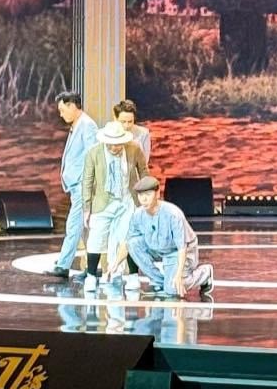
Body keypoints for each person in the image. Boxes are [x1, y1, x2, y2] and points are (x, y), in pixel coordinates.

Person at [107, 175, 213, 299]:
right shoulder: (138, 215)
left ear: (157, 194)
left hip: (179, 251)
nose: (144, 199)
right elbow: (127, 243)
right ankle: (159, 281)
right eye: (141, 195)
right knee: (133, 243)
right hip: (157, 246)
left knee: (173, 288)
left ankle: (205, 274)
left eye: (148, 194)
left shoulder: (172, 214)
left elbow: (182, 248)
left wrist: (178, 275)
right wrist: (115, 264)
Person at [80, 121, 148, 291]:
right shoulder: (94, 153)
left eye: (117, 144)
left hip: (127, 201)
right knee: (96, 238)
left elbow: (144, 172)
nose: (114, 147)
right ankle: (91, 276)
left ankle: (132, 276)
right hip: (103, 202)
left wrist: (146, 197)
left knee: (128, 239)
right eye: (110, 144)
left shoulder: (134, 149)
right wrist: (86, 208)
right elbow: (87, 181)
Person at [49, 91, 97, 278]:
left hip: (82, 185)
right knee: (85, 228)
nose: (61, 114)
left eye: (62, 110)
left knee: (74, 225)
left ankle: (63, 265)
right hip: (76, 185)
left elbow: (92, 156)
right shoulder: (78, 125)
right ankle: (92, 267)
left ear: (72, 106)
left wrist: (88, 183)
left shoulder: (87, 125)